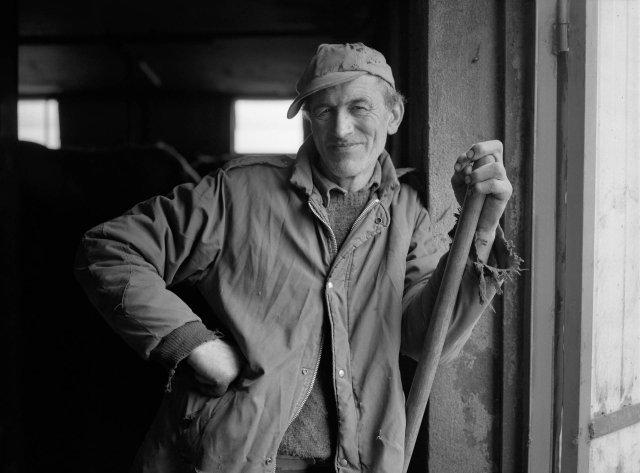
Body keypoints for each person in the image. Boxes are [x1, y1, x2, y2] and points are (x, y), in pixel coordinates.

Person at [75, 42, 519, 473]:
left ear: (394, 115)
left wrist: (481, 230)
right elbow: (111, 249)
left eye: (359, 108)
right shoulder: (238, 193)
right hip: (234, 460)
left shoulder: (408, 212)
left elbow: (427, 339)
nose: (340, 129)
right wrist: (192, 343)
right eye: (323, 111)